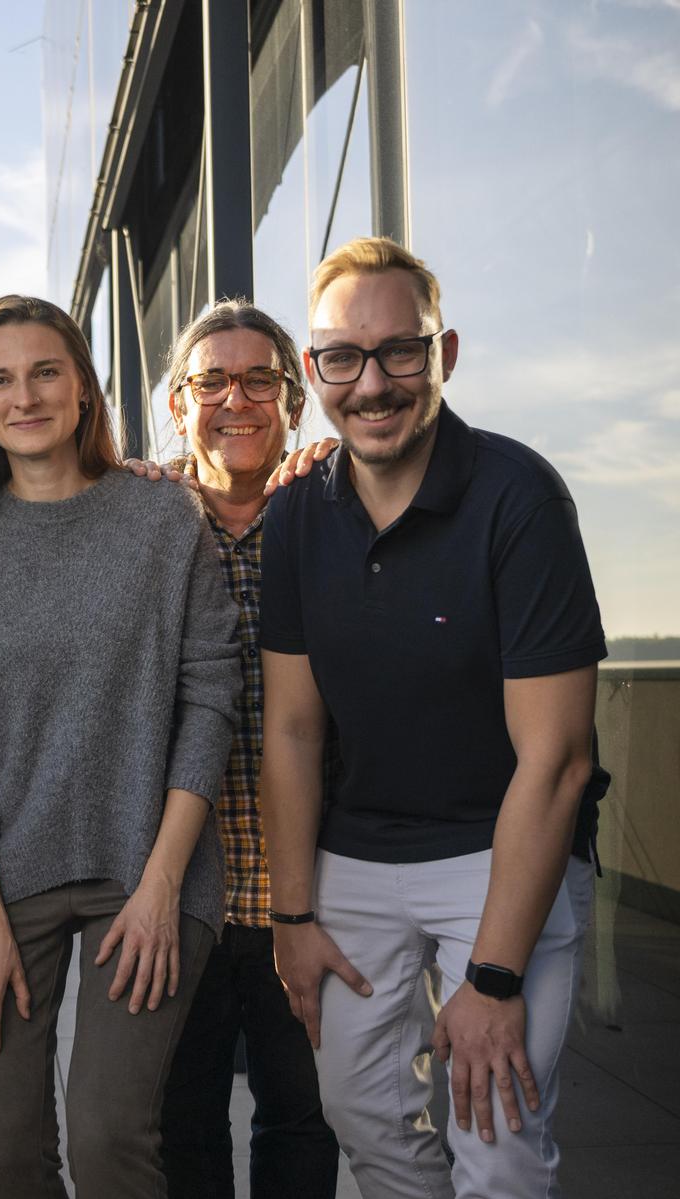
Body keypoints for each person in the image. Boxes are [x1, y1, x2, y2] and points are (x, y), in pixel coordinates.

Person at [259, 237, 604, 1199]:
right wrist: (293, 913)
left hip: (500, 852)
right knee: (363, 1117)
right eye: (343, 357)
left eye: (399, 351)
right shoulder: (297, 519)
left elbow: (560, 761)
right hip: (355, 860)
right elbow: (292, 728)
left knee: (495, 1132)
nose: (372, 384)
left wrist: (491, 979)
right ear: (313, 370)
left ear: (443, 353)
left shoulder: (518, 497)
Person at [0, 294, 241, 1195]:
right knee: (8, 1152)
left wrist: (163, 886)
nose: (26, 396)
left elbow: (208, 699)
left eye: (46, 371)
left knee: (108, 1140)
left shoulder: (163, 519)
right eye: (0, 379)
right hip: (4, 880)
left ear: (86, 390)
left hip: (149, 868)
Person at [151, 301, 341, 1199]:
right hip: (181, 894)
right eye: (211, 381)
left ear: (292, 400)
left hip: (307, 891)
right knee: (181, 1126)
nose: (237, 398)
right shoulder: (144, 523)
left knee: (303, 1121)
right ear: (178, 405)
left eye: (259, 378)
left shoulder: (330, 514)